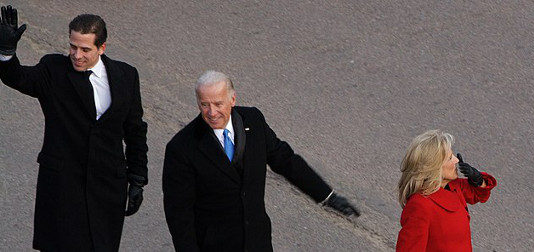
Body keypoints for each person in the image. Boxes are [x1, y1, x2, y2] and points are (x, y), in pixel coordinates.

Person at [0, 6, 148, 251]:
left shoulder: (126, 76)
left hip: (106, 188)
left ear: (102, 48)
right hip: (63, 187)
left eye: (85, 49)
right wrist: (6, 54)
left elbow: (135, 130)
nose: (76, 55)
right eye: (72, 46)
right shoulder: (54, 70)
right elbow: (18, 78)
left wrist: (137, 179)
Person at [163, 70, 360, 251]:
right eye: (205, 104)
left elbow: (285, 160)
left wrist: (327, 196)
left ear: (232, 99)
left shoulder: (253, 121)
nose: (212, 112)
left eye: (218, 104)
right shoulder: (182, 148)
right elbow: (179, 214)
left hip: (257, 242)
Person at [396, 130, 497, 252]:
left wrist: (478, 179)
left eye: (452, 155)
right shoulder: (420, 205)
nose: (456, 160)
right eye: (450, 158)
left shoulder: (454, 186)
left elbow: (479, 194)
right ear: (434, 167)